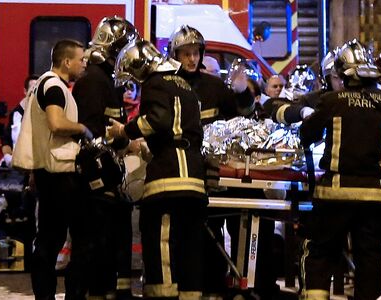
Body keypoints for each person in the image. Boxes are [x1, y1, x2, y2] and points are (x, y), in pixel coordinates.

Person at [299, 39, 381, 300]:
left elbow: (307, 134)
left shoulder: (332, 100)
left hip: (334, 195)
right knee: (370, 260)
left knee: (321, 254)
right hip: (375, 198)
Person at [108, 38, 206, 299]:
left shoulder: (154, 83)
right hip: (194, 177)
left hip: (168, 177)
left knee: (161, 242)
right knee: (189, 246)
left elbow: (158, 121)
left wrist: (124, 130)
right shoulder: (184, 84)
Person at [166, 25, 255, 299]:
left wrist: (242, 93)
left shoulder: (215, 87)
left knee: (223, 227)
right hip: (182, 172)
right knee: (187, 234)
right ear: (175, 55)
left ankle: (222, 285)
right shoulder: (166, 85)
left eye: (195, 53)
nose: (192, 59)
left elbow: (243, 119)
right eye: (186, 54)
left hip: (218, 173)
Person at [12, 39, 91, 300]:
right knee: (81, 238)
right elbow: (56, 124)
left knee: (48, 239)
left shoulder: (42, 86)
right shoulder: (56, 87)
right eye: (81, 59)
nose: (84, 64)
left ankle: (44, 297)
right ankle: (73, 295)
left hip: (47, 173)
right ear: (67, 61)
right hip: (62, 174)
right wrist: (82, 129)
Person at [70, 16, 137, 299]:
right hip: (95, 182)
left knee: (111, 242)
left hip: (107, 179)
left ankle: (109, 292)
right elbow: (90, 132)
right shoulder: (94, 81)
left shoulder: (105, 80)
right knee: (92, 246)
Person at [263, 50, 343, 125]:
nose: (342, 82)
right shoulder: (313, 99)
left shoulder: (354, 99)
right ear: (327, 78)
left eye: (345, 76)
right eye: (336, 77)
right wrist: (301, 111)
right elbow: (277, 111)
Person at [0, 75, 39, 167]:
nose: (35, 94)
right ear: (25, 91)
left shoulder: (45, 113)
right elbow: (6, 140)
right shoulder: (16, 114)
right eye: (32, 90)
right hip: (17, 166)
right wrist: (7, 157)